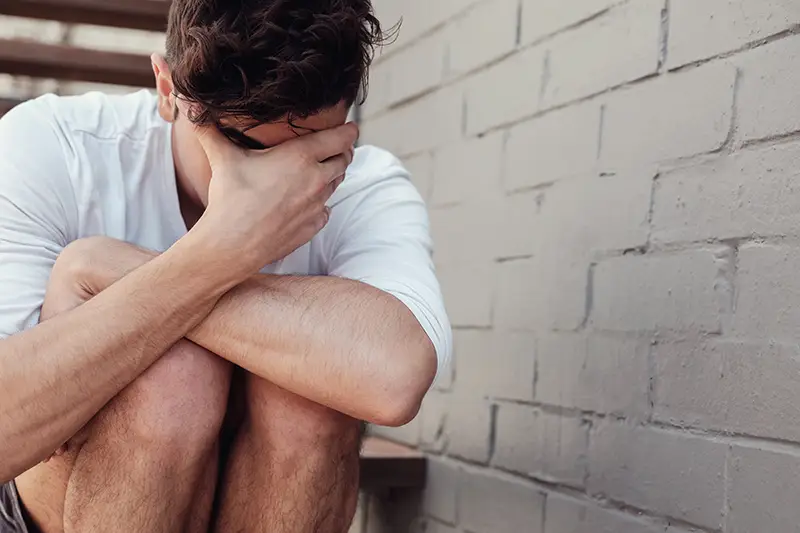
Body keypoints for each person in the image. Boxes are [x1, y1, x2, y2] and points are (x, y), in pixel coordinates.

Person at [0, 1, 451, 531]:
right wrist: (219, 250)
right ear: (168, 91)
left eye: (314, 151)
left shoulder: (367, 184)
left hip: (263, 489)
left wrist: (109, 268)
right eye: (245, 146)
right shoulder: (56, 145)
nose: (279, 183)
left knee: (308, 399)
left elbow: (394, 377)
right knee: (174, 381)